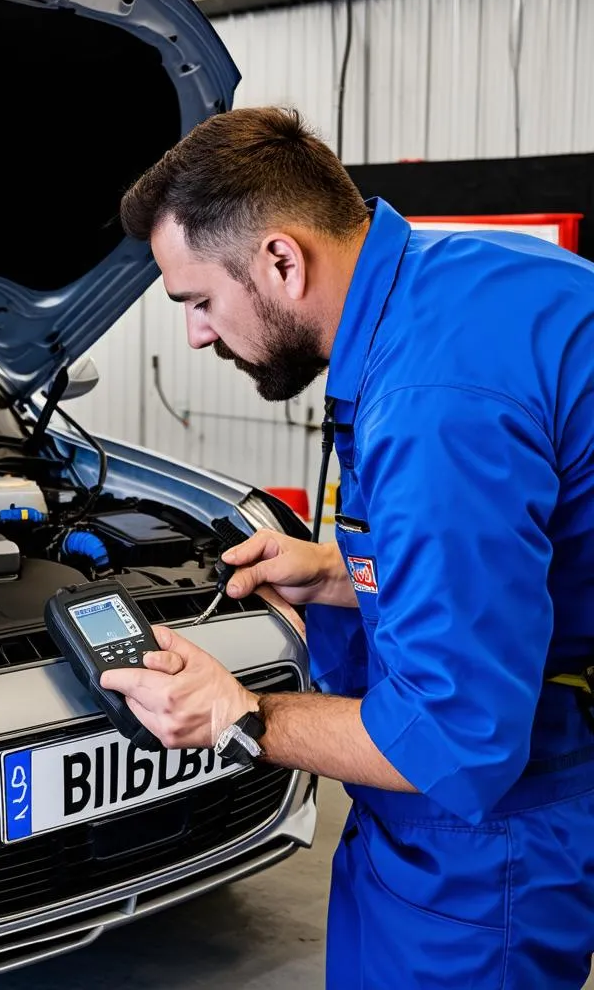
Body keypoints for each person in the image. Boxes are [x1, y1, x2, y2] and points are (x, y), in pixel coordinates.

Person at [104, 106, 594, 989]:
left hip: (495, 835)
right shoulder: (467, 278)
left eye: (199, 300)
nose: (198, 334)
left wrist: (238, 717)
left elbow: (456, 741)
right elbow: (529, 538)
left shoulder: (433, 401)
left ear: (282, 260)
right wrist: (339, 569)